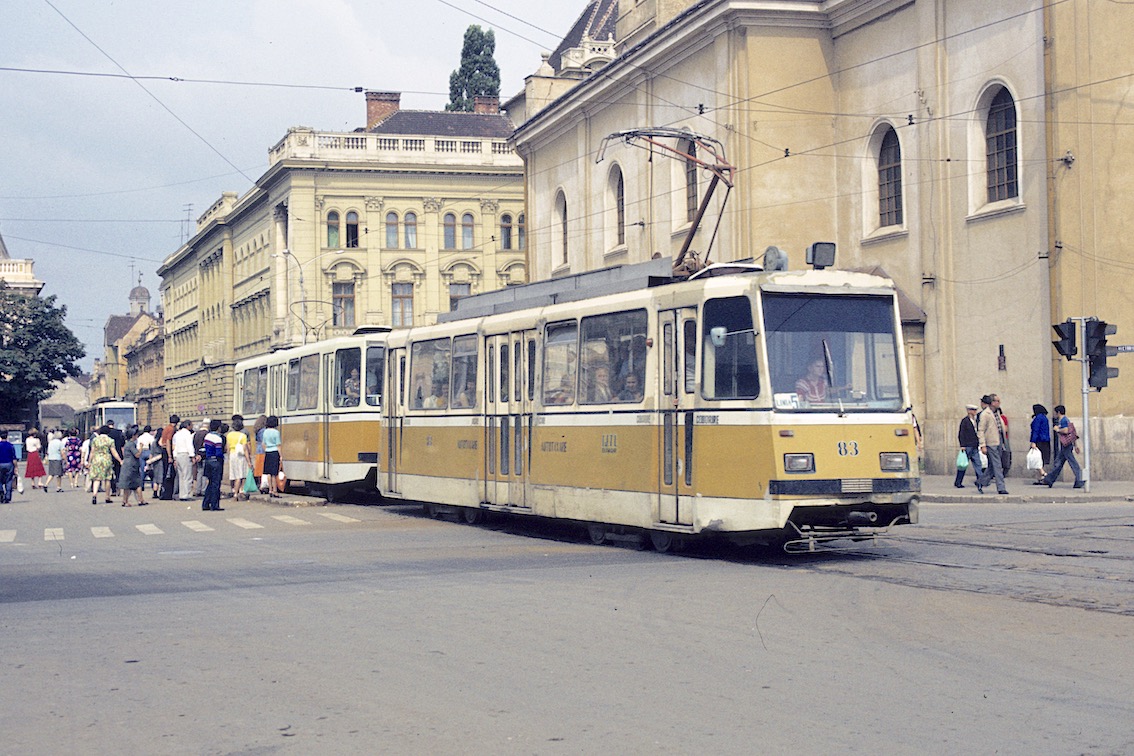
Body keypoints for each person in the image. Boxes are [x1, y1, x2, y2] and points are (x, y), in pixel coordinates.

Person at [1037, 405, 1084, 489]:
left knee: (1071, 463)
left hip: (1066, 445)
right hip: (1066, 445)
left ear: (1058, 412)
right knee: (1058, 463)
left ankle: (1080, 479)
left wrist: (1057, 429)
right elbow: (1073, 433)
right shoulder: (1065, 420)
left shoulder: (1063, 420)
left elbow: (1066, 430)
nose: (1054, 414)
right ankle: (1050, 479)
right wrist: (1075, 445)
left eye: (1055, 412)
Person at [976, 393, 1010, 495]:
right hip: (991, 442)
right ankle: (1001, 487)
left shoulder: (997, 413)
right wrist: (983, 445)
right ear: (992, 402)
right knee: (998, 465)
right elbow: (981, 430)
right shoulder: (985, 414)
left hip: (999, 441)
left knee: (992, 466)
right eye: (997, 401)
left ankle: (981, 482)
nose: (999, 403)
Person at [954, 403, 982, 488]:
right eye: (973, 410)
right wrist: (962, 445)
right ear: (969, 411)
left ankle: (980, 481)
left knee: (978, 464)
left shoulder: (976, 421)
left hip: (975, 445)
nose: (975, 412)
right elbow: (961, 434)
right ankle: (958, 482)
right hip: (967, 446)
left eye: (975, 410)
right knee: (963, 465)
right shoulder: (965, 421)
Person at [117, 425, 146, 506]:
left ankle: (137, 500)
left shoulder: (128, 444)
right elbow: (137, 454)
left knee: (133, 484)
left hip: (129, 465)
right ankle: (130, 501)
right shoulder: (131, 444)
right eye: (136, 435)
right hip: (131, 467)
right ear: (133, 436)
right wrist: (140, 448)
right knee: (133, 484)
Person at [201, 419, 226, 511]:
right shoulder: (218, 438)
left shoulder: (207, 436)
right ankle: (214, 504)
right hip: (216, 461)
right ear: (218, 428)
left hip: (208, 460)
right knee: (216, 484)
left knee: (210, 483)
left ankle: (206, 503)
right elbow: (218, 452)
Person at [88, 426, 116, 505]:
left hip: (96, 459)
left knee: (97, 479)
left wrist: (89, 461)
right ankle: (107, 497)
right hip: (106, 459)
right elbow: (113, 451)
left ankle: (94, 495)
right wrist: (120, 460)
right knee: (107, 479)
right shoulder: (110, 440)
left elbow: (92, 452)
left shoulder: (95, 440)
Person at [227, 415, 251, 501]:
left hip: (232, 455)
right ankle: (236, 493)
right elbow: (245, 449)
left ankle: (233, 489)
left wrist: (229, 457)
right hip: (240, 456)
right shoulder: (243, 436)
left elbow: (228, 447)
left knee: (233, 474)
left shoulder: (229, 435)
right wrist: (249, 461)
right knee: (240, 476)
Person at [172, 419, 196, 502]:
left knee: (181, 475)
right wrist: (192, 455)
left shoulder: (177, 434)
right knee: (188, 475)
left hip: (178, 455)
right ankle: (187, 494)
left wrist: (174, 457)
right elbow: (189, 445)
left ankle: (182, 494)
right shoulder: (187, 434)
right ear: (188, 426)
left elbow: (174, 446)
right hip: (185, 454)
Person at [261, 415, 283, 498]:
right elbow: (278, 445)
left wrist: (266, 449)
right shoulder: (276, 432)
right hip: (274, 452)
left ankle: (270, 489)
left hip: (268, 453)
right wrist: (281, 456)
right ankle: (275, 491)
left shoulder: (265, 432)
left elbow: (263, 444)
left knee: (268, 473)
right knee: (274, 473)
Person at [1028, 404, 1051, 481]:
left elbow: (1036, 430)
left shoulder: (1038, 418)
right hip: (1045, 440)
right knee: (1042, 459)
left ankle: (1044, 474)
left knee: (1037, 459)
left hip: (1039, 440)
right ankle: (1040, 478)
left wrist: (1033, 441)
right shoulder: (1045, 418)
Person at [106, 420, 126, 496]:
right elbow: (122, 444)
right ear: (113, 425)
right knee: (118, 472)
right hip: (118, 455)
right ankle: (118, 486)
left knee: (110, 474)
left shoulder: (106, 434)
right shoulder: (119, 432)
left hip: (109, 455)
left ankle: (113, 489)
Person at [0, 431, 18, 503]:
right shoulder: (10, 445)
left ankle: (1, 491)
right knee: (9, 480)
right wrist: (16, 467)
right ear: (7, 437)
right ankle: (7, 497)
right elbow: (14, 458)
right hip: (9, 464)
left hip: (0, 464)